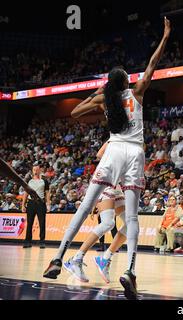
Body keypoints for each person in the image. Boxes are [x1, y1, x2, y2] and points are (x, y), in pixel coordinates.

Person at [43, 17, 171, 300]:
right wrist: (164, 37)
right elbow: (152, 63)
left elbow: (75, 113)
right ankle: (130, 270)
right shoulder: (137, 93)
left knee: (85, 205)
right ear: (127, 81)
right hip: (134, 153)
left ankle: (58, 257)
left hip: (113, 150)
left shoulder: (105, 99)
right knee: (133, 218)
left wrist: (97, 96)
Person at [62, 142, 125, 282]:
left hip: (119, 187)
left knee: (132, 226)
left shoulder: (135, 144)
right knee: (108, 223)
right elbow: (99, 154)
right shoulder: (115, 139)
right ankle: (76, 259)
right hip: (107, 184)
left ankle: (105, 258)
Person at [22, 164, 50, 249]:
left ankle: (42, 242)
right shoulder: (29, 180)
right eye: (34, 170)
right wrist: (23, 204)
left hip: (41, 203)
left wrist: (48, 204)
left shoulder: (44, 180)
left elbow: (47, 193)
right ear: (32, 170)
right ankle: (27, 242)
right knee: (29, 223)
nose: (35, 171)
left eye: (37, 170)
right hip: (31, 203)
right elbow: (26, 193)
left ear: (40, 170)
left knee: (42, 223)